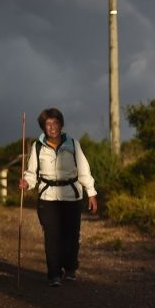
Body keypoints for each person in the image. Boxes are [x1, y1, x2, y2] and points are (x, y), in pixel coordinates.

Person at [20, 108, 98, 287]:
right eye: (47, 124)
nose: (52, 127)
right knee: (52, 236)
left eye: (55, 123)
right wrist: (26, 182)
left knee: (71, 235)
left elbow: (84, 171)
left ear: (61, 125)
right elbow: (32, 173)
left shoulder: (73, 144)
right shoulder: (37, 146)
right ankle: (54, 274)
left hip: (71, 196)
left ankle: (70, 268)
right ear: (43, 127)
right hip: (47, 198)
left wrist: (91, 193)